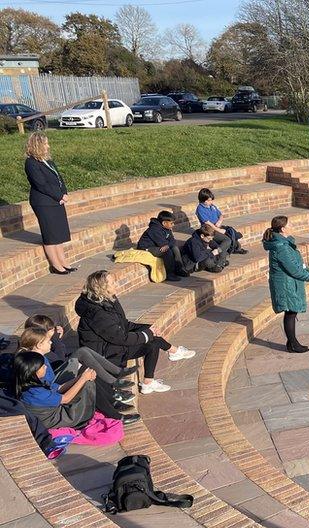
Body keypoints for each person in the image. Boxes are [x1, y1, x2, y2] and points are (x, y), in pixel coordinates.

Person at [75, 270, 195, 395]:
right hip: (105, 354)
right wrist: (147, 334)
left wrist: (146, 328)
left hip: (114, 346)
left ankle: (149, 381)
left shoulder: (109, 300)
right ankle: (173, 352)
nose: (116, 284)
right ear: (101, 288)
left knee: (151, 338)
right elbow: (121, 338)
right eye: (112, 283)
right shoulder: (96, 312)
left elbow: (124, 324)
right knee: (151, 339)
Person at [17, 327, 136, 414]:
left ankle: (112, 392)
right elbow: (53, 387)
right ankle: (112, 396)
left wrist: (58, 339)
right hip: (55, 385)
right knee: (83, 368)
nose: (51, 342)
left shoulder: (40, 356)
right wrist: (80, 378)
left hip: (54, 383)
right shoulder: (35, 364)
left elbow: (59, 357)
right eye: (48, 341)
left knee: (85, 364)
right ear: (38, 345)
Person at [12, 349, 139, 429]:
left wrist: (80, 378)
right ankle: (117, 416)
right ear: (33, 372)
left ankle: (112, 403)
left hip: (57, 410)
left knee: (87, 376)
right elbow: (65, 399)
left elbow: (60, 387)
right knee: (88, 383)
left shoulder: (31, 383)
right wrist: (83, 379)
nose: (46, 367)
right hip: (63, 419)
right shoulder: (35, 393)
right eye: (42, 366)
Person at [24, 315, 137, 397]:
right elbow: (60, 358)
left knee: (86, 355)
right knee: (83, 356)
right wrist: (56, 340)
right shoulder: (37, 351)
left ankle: (116, 377)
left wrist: (56, 339)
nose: (54, 331)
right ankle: (113, 385)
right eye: (51, 330)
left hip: (59, 370)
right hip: (56, 380)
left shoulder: (38, 344)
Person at [24, 133, 74, 275]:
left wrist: (64, 193)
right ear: (37, 145)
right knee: (50, 234)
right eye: (45, 144)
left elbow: (59, 178)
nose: (48, 146)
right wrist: (59, 195)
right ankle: (55, 265)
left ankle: (63, 262)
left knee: (59, 233)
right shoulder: (31, 163)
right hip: (43, 203)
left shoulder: (48, 161)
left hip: (56, 201)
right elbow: (41, 184)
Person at [264, 216, 309, 353]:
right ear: (283, 229)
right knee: (290, 312)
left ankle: (291, 342)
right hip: (286, 284)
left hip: (288, 282)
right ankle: (293, 344)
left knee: (291, 311)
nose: (292, 226)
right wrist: (308, 275)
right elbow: (292, 268)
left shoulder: (284, 244)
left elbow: (295, 264)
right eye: (290, 224)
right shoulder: (281, 247)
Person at [137, 210, 185, 282]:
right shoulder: (154, 230)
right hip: (147, 248)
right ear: (164, 223)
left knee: (175, 248)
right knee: (167, 252)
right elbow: (162, 244)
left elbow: (173, 240)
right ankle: (169, 274)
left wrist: (168, 245)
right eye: (171, 223)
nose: (173, 225)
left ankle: (179, 269)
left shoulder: (167, 228)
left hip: (158, 245)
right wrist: (168, 245)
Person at [196, 188, 246, 255]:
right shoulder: (200, 209)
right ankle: (219, 255)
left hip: (218, 226)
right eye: (209, 200)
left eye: (211, 200)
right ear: (204, 201)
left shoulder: (212, 206)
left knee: (232, 232)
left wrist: (219, 221)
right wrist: (219, 230)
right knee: (227, 240)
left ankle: (236, 248)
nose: (211, 202)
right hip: (210, 230)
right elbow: (208, 223)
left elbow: (220, 215)